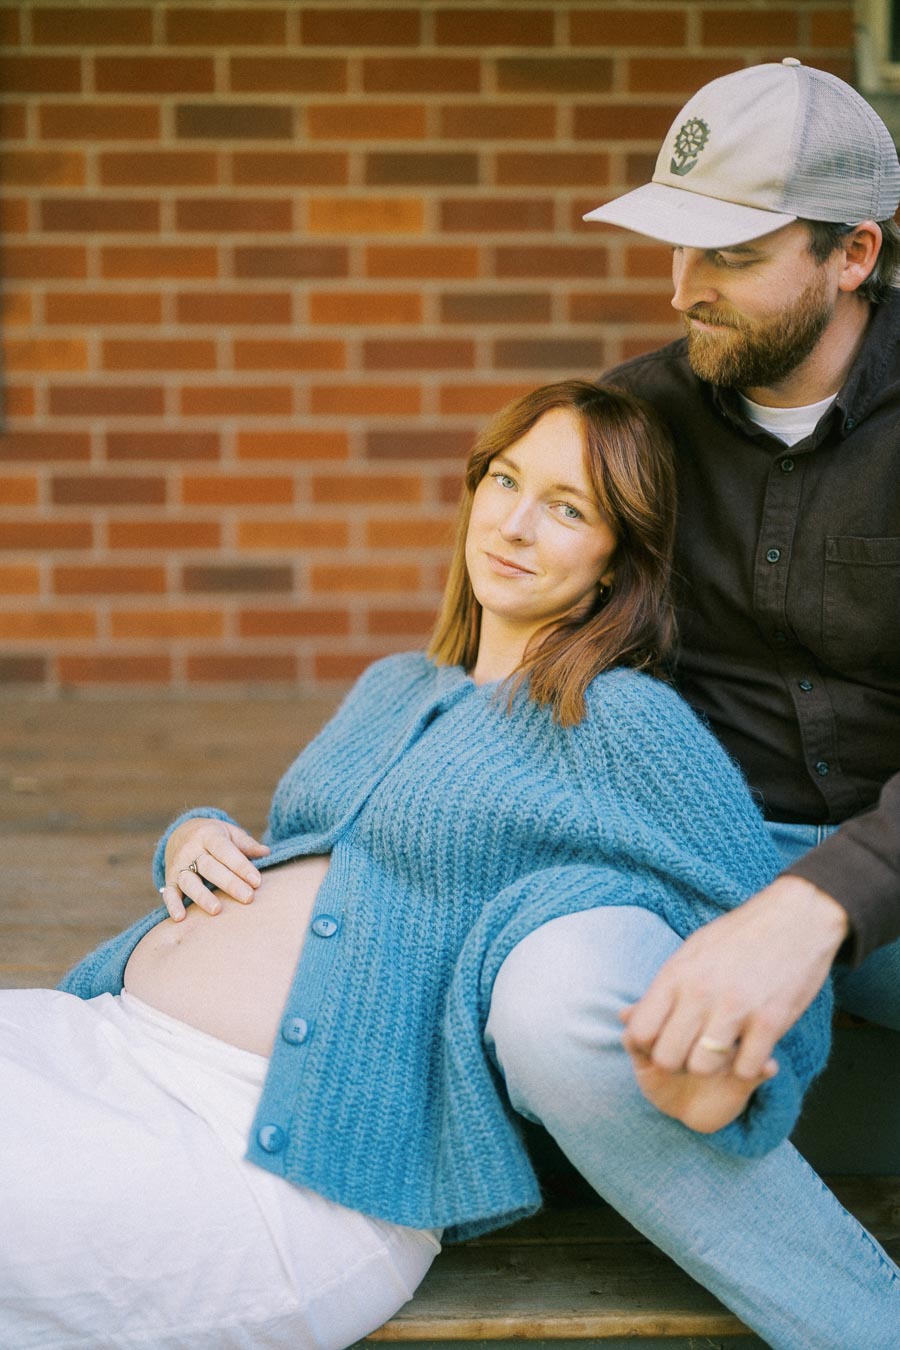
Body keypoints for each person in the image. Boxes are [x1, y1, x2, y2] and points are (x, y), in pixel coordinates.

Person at [2, 380, 838, 1350]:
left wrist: (738, 1087)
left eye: (567, 509)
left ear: (617, 562)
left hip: (281, 1158)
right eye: (505, 481)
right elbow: (311, 867)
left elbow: (775, 932)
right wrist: (193, 838)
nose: (517, 525)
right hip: (104, 1045)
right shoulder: (395, 685)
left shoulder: (619, 723)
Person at [482, 57, 900, 1350]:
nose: (682, 286)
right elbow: (505, 652)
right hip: (692, 869)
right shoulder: (635, 420)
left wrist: (821, 903)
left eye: (728, 248)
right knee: (547, 1008)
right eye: (675, 243)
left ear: (854, 254)